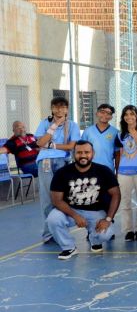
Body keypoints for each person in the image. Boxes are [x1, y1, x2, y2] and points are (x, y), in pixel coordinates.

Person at [47, 140, 120, 259]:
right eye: (79, 152)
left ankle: (95, 240)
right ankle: (68, 247)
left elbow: (116, 194)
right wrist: (75, 216)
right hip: (70, 211)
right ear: (73, 154)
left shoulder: (103, 171)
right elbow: (56, 200)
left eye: (87, 152)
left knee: (106, 234)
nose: (83, 155)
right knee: (53, 219)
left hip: (96, 211)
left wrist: (108, 219)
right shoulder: (62, 173)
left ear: (93, 153)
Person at [35, 96, 80, 243]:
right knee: (47, 197)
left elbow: (71, 146)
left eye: (63, 107)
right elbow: (40, 143)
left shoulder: (72, 125)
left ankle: (60, 228)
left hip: (63, 161)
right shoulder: (45, 123)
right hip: (45, 161)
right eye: (56, 107)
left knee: (62, 197)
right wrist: (55, 125)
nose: (59, 110)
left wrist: (52, 145)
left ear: (67, 109)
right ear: (52, 109)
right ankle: (48, 233)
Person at [115, 105, 137, 242]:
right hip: (124, 172)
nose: (129, 117)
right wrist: (117, 171)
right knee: (125, 202)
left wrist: (136, 136)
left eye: (132, 114)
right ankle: (128, 230)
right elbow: (119, 154)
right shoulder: (120, 134)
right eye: (126, 114)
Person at [81, 104, 119, 171]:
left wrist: (117, 172)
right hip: (90, 169)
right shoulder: (88, 131)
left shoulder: (116, 132)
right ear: (97, 113)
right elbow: (82, 151)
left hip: (108, 169)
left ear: (111, 117)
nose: (105, 115)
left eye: (108, 113)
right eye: (102, 112)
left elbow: (117, 154)